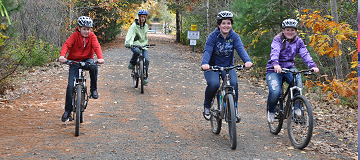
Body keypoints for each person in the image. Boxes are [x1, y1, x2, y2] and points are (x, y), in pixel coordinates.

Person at [201, 11, 253, 123]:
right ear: (219, 25)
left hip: (228, 66)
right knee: (214, 84)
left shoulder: (234, 36)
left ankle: (234, 110)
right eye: (223, 23)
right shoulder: (213, 36)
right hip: (212, 67)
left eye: (228, 23)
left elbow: (240, 49)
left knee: (234, 84)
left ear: (231, 24)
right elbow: (207, 50)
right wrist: (205, 63)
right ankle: (207, 106)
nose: (226, 25)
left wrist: (247, 61)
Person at [265, 18, 319, 123]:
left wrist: (312, 66)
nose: (290, 32)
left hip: (289, 68)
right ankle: (271, 111)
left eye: (292, 30)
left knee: (298, 86)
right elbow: (274, 51)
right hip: (273, 69)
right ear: (283, 31)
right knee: (275, 92)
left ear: (296, 31)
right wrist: (275, 64)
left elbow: (305, 54)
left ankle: (297, 108)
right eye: (287, 30)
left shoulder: (298, 41)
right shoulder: (278, 39)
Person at [59, 16, 104, 122]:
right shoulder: (74, 36)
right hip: (74, 61)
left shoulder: (92, 36)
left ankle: (93, 90)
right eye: (84, 29)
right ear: (79, 28)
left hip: (87, 59)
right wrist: (62, 56)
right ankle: (68, 111)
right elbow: (67, 45)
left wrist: (100, 58)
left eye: (88, 29)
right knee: (70, 86)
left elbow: (96, 46)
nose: (86, 31)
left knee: (94, 66)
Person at [125, 9, 150, 84]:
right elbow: (131, 35)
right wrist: (129, 43)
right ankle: (132, 63)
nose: (143, 18)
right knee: (137, 51)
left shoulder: (146, 26)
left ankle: (144, 78)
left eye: (144, 17)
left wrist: (146, 44)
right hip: (135, 44)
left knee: (147, 60)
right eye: (142, 17)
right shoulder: (134, 26)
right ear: (139, 17)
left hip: (143, 45)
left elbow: (145, 37)